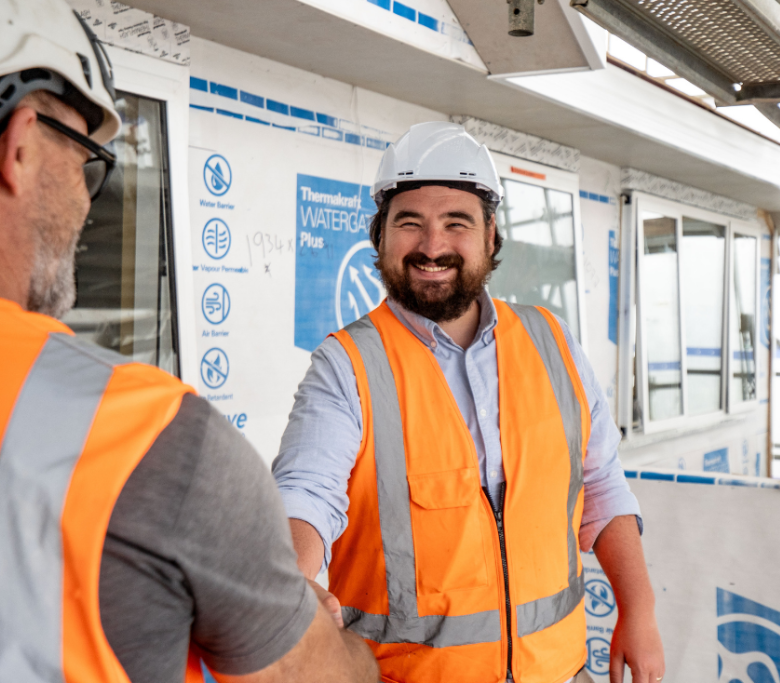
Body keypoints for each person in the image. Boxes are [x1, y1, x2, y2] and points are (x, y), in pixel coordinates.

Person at [0, 3, 378, 683]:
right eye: (87, 160)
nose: (87, 202)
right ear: (19, 144)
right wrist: (330, 639)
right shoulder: (147, 439)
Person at [273, 122, 666, 683]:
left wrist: (639, 611)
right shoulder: (348, 364)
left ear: (490, 234)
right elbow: (306, 492)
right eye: (410, 223)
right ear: (380, 236)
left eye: (456, 223)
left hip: (559, 671)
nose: (432, 246)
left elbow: (602, 484)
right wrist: (291, 580)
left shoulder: (552, 342)